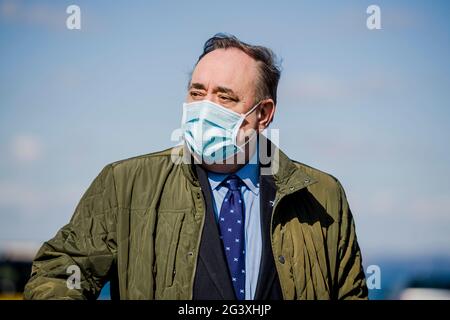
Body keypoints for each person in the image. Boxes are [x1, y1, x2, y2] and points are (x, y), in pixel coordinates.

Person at [24, 33, 368, 300]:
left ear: (263, 114)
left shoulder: (322, 195)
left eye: (224, 97)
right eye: (197, 92)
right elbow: (59, 273)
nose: (204, 107)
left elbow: (350, 293)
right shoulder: (125, 184)